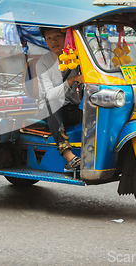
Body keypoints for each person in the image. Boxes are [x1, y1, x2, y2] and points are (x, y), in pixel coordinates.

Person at [36, 27, 84, 170]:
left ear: (67, 37)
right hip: (51, 111)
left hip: (73, 108)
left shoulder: (77, 57)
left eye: (57, 36)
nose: (53, 41)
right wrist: (70, 82)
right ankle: (69, 156)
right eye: (49, 38)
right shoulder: (43, 63)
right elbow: (49, 94)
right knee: (51, 101)